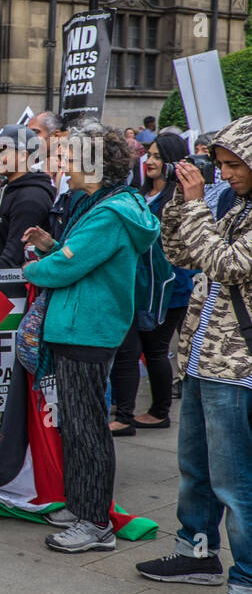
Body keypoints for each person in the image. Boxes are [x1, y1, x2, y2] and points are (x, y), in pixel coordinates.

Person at [21, 126, 160, 554]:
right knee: (78, 426)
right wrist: (52, 247)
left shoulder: (108, 212)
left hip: (86, 331)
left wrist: (32, 268)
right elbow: (74, 255)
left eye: (68, 157)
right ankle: (82, 506)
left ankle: (96, 522)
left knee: (85, 429)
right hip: (81, 328)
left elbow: (65, 268)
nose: (62, 165)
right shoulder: (103, 204)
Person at [138, 115, 252, 594]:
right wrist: (182, 203)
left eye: (234, 166)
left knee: (236, 481)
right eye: (221, 165)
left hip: (239, 367)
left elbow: (226, 265)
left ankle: (247, 581)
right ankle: (198, 551)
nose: (225, 174)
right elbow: (181, 253)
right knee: (197, 469)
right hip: (206, 358)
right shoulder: (235, 207)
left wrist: (200, 205)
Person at [108, 133, 193, 434]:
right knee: (131, 348)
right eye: (150, 155)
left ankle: (159, 411)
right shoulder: (139, 194)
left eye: (159, 157)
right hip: (140, 285)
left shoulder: (179, 197)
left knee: (155, 349)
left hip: (169, 286)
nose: (151, 162)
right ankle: (127, 411)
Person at [0, 124, 55, 268]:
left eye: (2, 153)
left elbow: (14, 255)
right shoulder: (8, 187)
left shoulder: (30, 198)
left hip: (12, 286)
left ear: (23, 156)